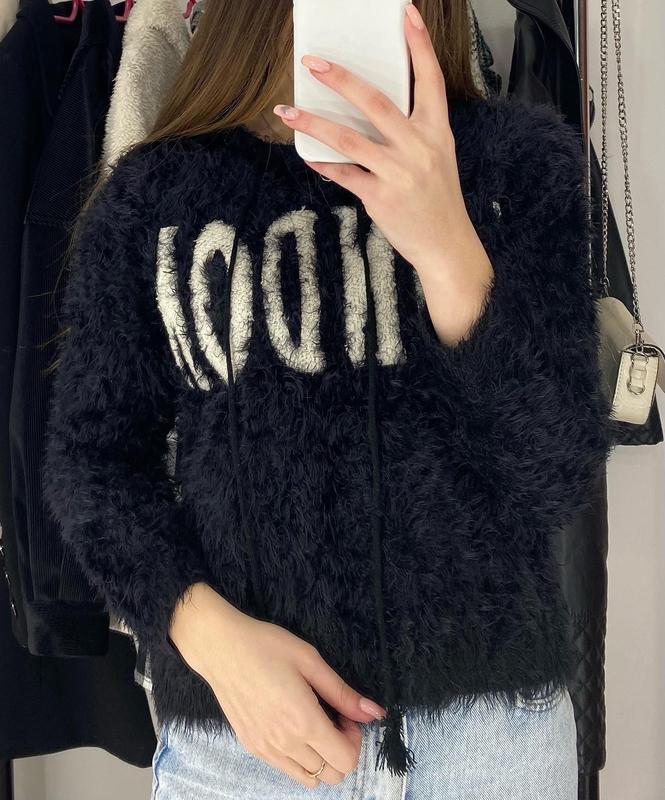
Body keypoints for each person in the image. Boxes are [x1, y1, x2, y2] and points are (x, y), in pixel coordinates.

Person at [42, 1, 615, 798]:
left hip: (490, 745)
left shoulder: (516, 167)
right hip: (243, 746)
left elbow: (553, 473)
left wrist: (447, 245)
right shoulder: (154, 194)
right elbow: (90, 463)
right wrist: (208, 639)